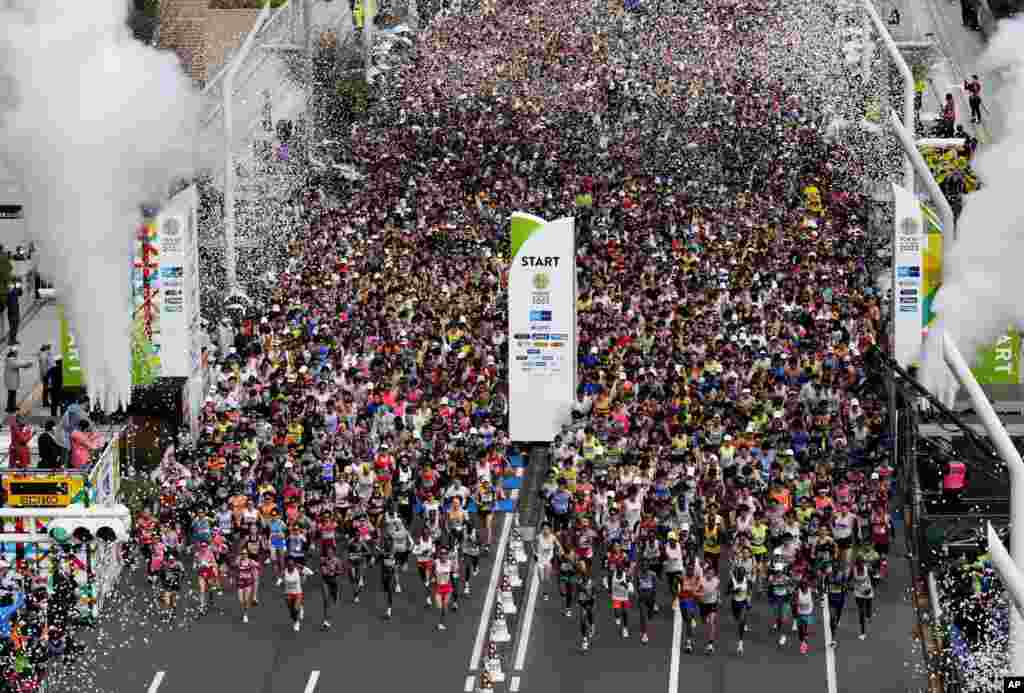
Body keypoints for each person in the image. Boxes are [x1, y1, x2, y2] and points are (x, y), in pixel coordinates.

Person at [282, 556, 314, 632]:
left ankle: (297, 622)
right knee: (291, 612)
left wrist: (310, 573)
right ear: (287, 564)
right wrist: (279, 581)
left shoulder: (298, 569)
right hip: (288, 593)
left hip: (298, 592)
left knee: (296, 609)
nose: (290, 565)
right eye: (289, 563)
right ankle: (295, 620)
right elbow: (280, 577)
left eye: (292, 563)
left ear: (294, 563)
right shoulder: (284, 571)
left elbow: (306, 570)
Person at [319, 544, 344, 629]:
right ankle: (326, 620)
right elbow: (322, 570)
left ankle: (336, 595)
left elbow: (341, 571)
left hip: (334, 582)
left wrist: (334, 572)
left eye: (330, 552)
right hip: (325, 581)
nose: (329, 553)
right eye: (327, 552)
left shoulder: (337, 560)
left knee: (334, 600)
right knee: (326, 600)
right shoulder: (323, 560)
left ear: (333, 552)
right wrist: (324, 571)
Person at [4, 346, 32, 414]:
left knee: (13, 394)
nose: (17, 353)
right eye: (16, 352)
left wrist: (26, 363)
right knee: (11, 394)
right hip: (11, 380)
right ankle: (9, 408)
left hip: (12, 380)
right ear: (14, 353)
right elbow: (18, 364)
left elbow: (19, 362)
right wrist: (27, 363)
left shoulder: (12, 359)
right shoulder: (11, 360)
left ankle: (13, 406)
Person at [236, 547, 260, 623]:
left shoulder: (251, 561)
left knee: (246, 600)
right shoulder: (239, 561)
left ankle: (245, 614)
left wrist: (255, 571)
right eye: (242, 553)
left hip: (248, 582)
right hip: (240, 582)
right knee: (241, 600)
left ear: (248, 554)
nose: (244, 555)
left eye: (245, 553)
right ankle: (244, 611)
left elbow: (258, 565)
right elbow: (233, 567)